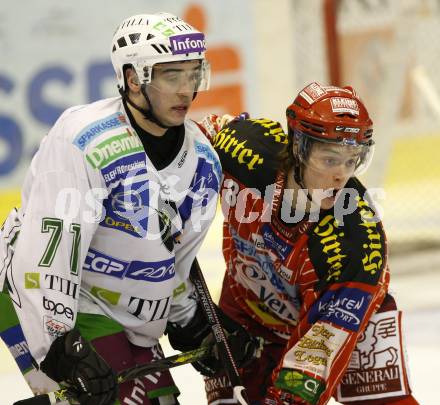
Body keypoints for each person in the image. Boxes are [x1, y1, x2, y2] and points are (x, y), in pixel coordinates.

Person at [0, 12, 257, 405]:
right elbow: (50, 249)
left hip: (127, 311)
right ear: (134, 79)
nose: (187, 90)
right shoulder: (83, 138)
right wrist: (59, 345)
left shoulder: (203, 161)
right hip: (41, 295)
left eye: (193, 75)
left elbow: (175, 264)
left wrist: (192, 321)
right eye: (172, 76)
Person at [199, 83, 419, 404]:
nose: (341, 176)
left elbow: (313, 357)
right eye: (330, 160)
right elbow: (199, 134)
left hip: (344, 316)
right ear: (299, 147)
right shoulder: (245, 151)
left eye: (352, 160)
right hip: (246, 310)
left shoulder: (355, 241)